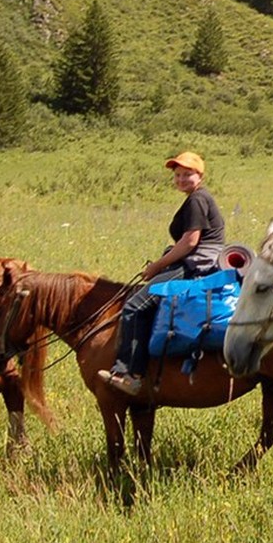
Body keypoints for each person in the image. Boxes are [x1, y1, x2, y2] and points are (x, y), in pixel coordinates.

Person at [99, 151, 225, 395]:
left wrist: (157, 266)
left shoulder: (197, 199)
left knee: (135, 306)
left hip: (194, 264)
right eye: (177, 175)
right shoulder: (197, 198)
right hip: (193, 261)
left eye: (187, 174)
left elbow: (190, 242)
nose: (181, 179)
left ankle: (130, 374)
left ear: (200, 175)